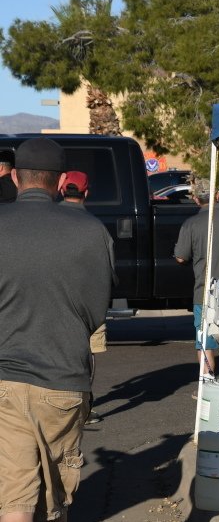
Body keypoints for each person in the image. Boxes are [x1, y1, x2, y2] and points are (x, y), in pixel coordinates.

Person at [0, 137, 114, 522]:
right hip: (63, 382)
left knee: (14, 503)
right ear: (62, 182)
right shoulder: (90, 232)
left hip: (3, 381)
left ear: (14, 177)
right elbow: (96, 312)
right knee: (55, 501)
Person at [59, 170, 116, 425]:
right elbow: (110, 271)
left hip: (55, 301)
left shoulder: (46, 222)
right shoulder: (96, 228)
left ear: (62, 190)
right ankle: (85, 405)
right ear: (86, 192)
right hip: (88, 303)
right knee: (88, 353)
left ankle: (62, 403)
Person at [174, 177, 219, 375]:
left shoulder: (190, 224)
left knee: (205, 342)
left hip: (205, 292)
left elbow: (181, 258)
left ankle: (207, 384)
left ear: (195, 199)